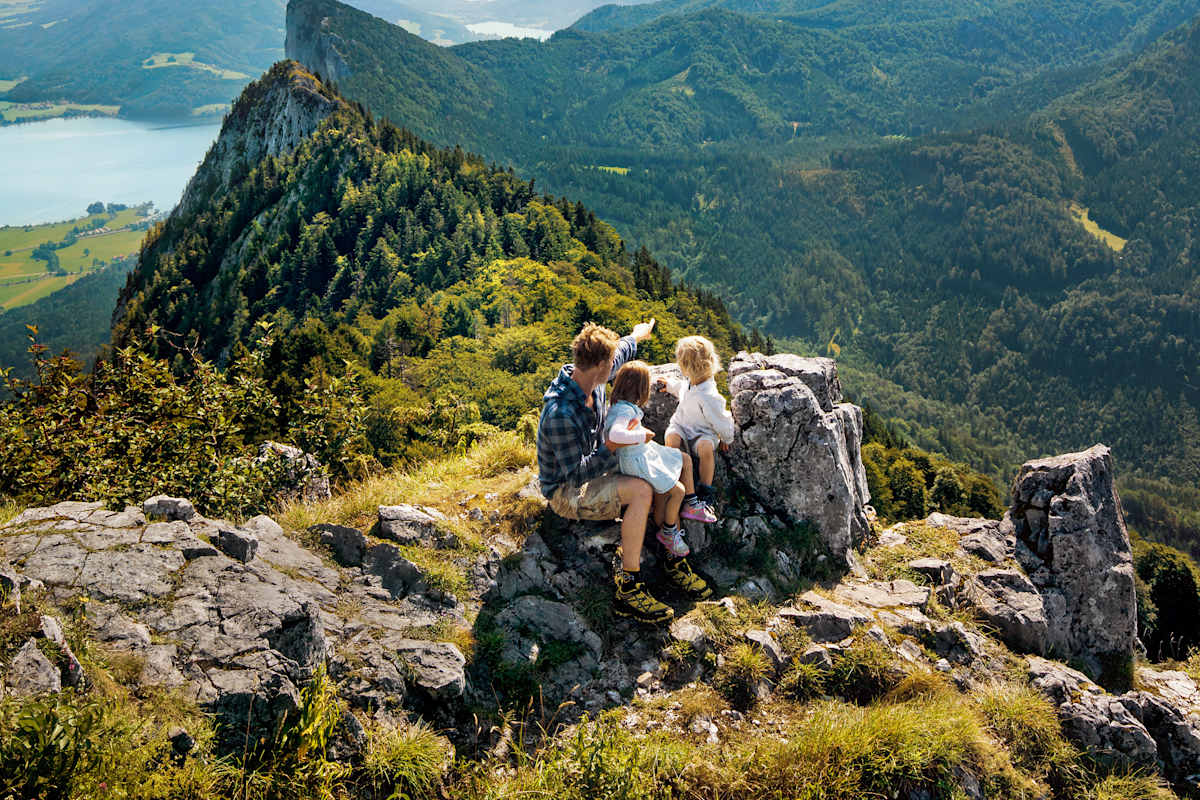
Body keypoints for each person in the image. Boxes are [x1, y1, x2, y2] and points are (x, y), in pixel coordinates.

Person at [536, 320, 708, 625]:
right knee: (642, 489)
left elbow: (622, 352)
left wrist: (637, 335)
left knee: (667, 470)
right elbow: (576, 476)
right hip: (567, 490)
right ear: (601, 366)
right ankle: (628, 587)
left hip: (597, 466)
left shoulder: (592, 376)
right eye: (611, 365)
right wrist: (612, 446)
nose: (614, 370)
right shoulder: (560, 412)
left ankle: (672, 556)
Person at [605, 362, 715, 601]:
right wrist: (640, 435)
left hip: (643, 455)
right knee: (675, 491)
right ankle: (670, 537)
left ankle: (686, 512)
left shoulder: (620, 406)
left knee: (682, 463)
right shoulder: (624, 412)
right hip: (638, 461)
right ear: (641, 389)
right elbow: (616, 434)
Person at [658, 335, 735, 519]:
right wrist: (669, 385)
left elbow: (721, 420)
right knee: (671, 438)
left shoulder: (709, 395)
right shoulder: (691, 383)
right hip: (682, 427)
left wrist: (726, 438)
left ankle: (705, 492)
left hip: (702, 433)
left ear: (685, 366)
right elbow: (681, 389)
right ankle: (673, 478)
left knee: (706, 449)